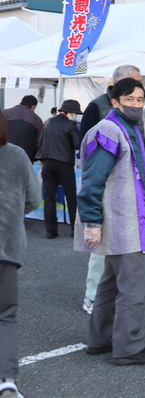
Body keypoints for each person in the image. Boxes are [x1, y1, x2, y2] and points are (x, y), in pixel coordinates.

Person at [75, 78, 145, 366]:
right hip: (119, 221)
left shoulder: (124, 128)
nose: (136, 105)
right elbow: (91, 181)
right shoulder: (110, 130)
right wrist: (91, 222)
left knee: (110, 284)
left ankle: (100, 340)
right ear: (114, 101)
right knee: (132, 287)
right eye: (130, 99)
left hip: (122, 218)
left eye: (140, 99)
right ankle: (128, 347)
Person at [80, 64, 143, 315]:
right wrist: (92, 219)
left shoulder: (133, 109)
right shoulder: (98, 108)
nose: (138, 95)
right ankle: (93, 298)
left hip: (128, 193)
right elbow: (89, 150)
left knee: (119, 256)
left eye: (140, 93)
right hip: (109, 193)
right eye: (133, 85)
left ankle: (105, 303)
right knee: (101, 251)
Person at [0, 111, 41, 398]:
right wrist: (14, 215)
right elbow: (33, 199)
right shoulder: (16, 155)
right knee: (6, 316)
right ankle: (7, 382)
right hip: (7, 247)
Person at [36, 99, 82, 239]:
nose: (75, 115)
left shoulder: (48, 122)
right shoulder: (70, 124)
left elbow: (41, 141)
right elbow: (77, 144)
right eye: (75, 113)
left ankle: (50, 231)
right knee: (71, 197)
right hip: (64, 163)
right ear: (70, 112)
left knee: (49, 197)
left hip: (48, 163)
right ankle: (74, 230)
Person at [2, 95, 43, 163]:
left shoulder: (5, 114)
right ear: (33, 107)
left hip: (5, 155)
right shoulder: (36, 120)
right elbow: (39, 142)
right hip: (26, 158)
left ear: (20, 103)